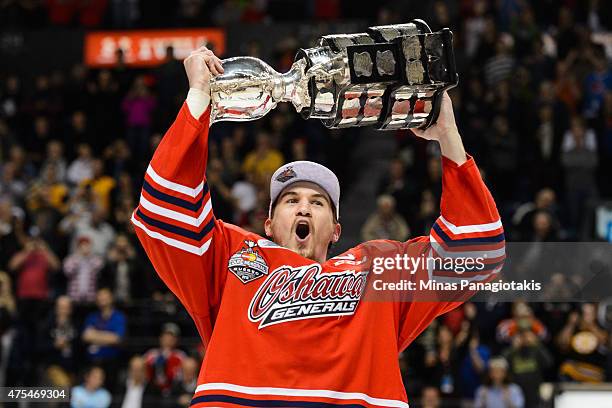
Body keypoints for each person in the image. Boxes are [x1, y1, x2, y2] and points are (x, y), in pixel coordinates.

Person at [131, 46, 505, 406]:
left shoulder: (376, 270)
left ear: (336, 230)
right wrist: (198, 98)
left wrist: (448, 136)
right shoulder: (231, 257)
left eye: (318, 202)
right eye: (291, 201)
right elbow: (163, 213)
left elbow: (475, 252)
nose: (304, 207)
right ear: (269, 226)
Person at [82, 288, 126, 390]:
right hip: (92, 361)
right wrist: (107, 336)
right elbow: (86, 336)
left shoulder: (118, 317)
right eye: (100, 296)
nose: (102, 299)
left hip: (111, 362)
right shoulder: (92, 317)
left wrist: (95, 335)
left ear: (111, 298)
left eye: (105, 296)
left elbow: (116, 339)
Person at [143, 323, 186, 395]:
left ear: (176, 340)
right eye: (165, 336)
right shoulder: (151, 354)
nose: (168, 340)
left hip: (174, 391)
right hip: (152, 391)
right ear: (160, 338)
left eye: (171, 337)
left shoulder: (180, 356)